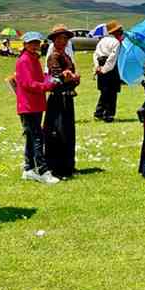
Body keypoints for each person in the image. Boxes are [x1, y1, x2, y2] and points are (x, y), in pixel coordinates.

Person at [14, 32, 60, 184]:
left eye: (37, 43)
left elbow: (39, 79)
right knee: (37, 137)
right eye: (32, 43)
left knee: (31, 136)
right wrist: (48, 85)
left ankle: (28, 169)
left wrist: (50, 79)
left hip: (34, 104)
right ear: (25, 44)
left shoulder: (33, 59)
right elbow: (29, 84)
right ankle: (42, 170)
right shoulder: (24, 60)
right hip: (28, 105)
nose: (35, 45)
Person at [44, 25, 79, 178]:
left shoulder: (66, 56)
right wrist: (68, 77)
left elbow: (72, 77)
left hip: (68, 96)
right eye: (59, 38)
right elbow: (57, 77)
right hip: (58, 98)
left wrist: (73, 78)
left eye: (65, 38)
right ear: (54, 40)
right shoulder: (53, 56)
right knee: (58, 132)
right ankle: (57, 166)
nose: (63, 41)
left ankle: (68, 165)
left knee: (68, 131)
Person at [93, 21, 124, 122]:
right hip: (110, 68)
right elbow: (112, 57)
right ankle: (109, 114)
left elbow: (96, 54)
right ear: (116, 32)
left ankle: (99, 112)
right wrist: (105, 70)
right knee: (112, 92)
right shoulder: (116, 42)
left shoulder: (102, 41)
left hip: (101, 65)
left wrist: (97, 67)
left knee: (104, 91)